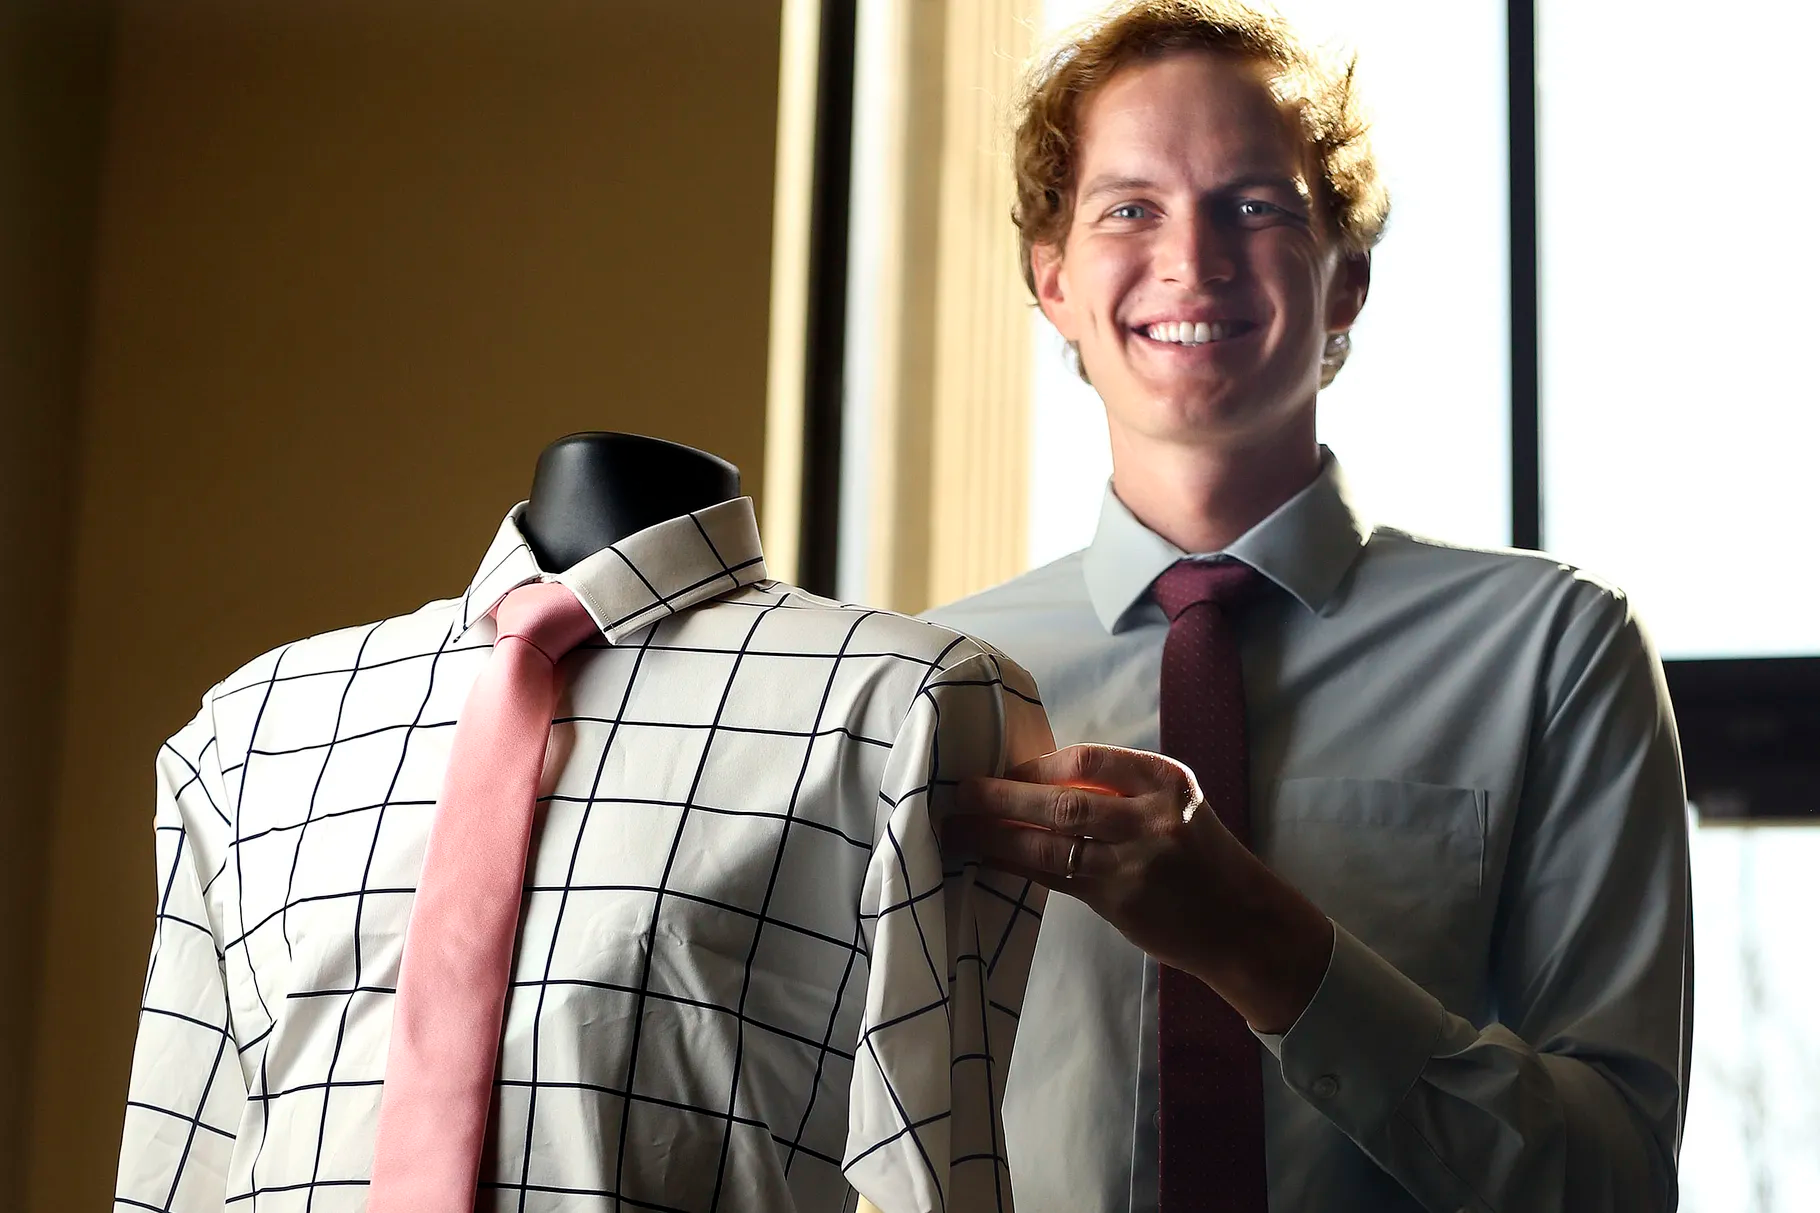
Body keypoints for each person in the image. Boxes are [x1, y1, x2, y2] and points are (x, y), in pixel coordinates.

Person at [926, 1, 1692, 1210]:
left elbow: (1613, 1181)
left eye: (1253, 205)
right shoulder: (938, 678)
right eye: (1130, 207)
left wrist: (1259, 941)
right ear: (1053, 283)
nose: (1191, 257)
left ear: (1346, 281)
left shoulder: (1555, 651)